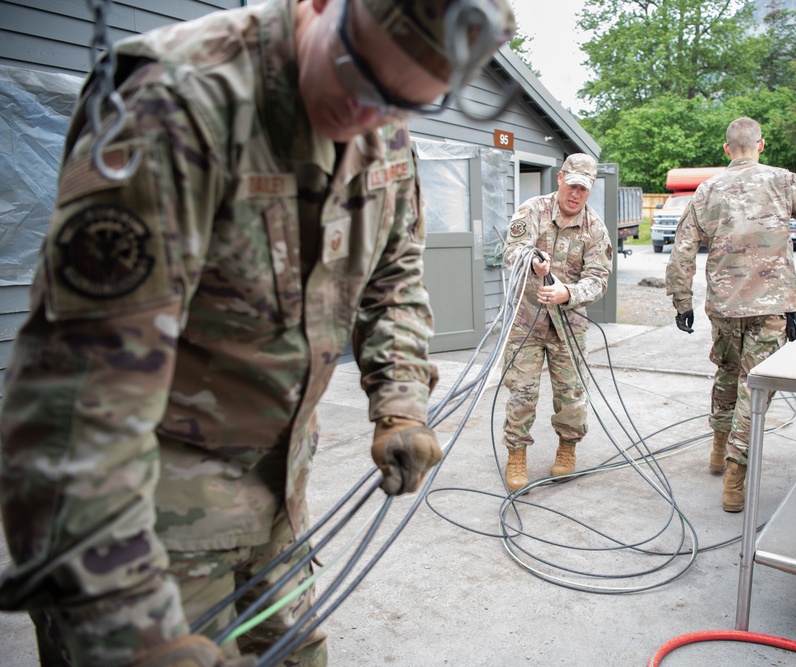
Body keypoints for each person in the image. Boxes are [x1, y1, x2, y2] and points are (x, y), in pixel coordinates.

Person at [0, 1, 515, 665]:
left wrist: (400, 402)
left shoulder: (382, 125)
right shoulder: (177, 105)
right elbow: (79, 394)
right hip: (146, 522)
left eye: (401, 101)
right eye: (358, 74)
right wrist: (129, 628)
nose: (368, 116)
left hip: (277, 494)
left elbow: (394, 279)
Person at [664, 117, 796, 513]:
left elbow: (681, 251)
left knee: (727, 373)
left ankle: (717, 450)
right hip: (770, 304)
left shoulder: (706, 191)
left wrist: (681, 301)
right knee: (754, 384)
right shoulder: (783, 181)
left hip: (725, 306)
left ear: (727, 149)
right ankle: (734, 476)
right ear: (760, 146)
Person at [500, 154, 614, 492]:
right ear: (560, 178)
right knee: (521, 391)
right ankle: (516, 454)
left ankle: (567, 450)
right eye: (572, 184)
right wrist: (532, 261)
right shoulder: (532, 210)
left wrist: (570, 292)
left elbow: (599, 279)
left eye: (583, 188)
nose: (576, 194)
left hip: (569, 325)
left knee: (571, 395)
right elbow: (511, 253)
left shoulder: (595, 228)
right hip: (527, 322)